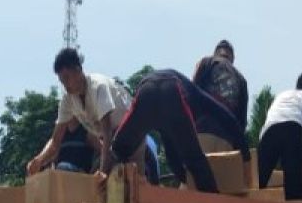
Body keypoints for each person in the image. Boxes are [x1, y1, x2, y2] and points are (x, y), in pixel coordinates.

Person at [105, 69, 248, 193]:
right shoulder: (197, 95)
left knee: (118, 150)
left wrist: (185, 179)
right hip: (171, 89)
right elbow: (227, 117)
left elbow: (172, 157)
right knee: (195, 160)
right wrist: (245, 152)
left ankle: (106, 187)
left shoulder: (170, 128)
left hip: (145, 92)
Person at [27, 48, 157, 179]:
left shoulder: (99, 86)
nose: (65, 85)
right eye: (62, 81)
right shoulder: (67, 99)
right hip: (109, 139)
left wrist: (103, 172)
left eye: (67, 78)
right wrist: (39, 160)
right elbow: (56, 141)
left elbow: (107, 131)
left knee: (130, 180)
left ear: (78, 70)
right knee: (96, 182)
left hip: (131, 130)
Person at [192, 39, 249, 152]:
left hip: (203, 131)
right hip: (226, 138)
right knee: (220, 170)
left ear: (216, 53)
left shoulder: (206, 62)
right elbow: (242, 121)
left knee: (197, 170)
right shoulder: (241, 79)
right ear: (232, 58)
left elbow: (190, 91)